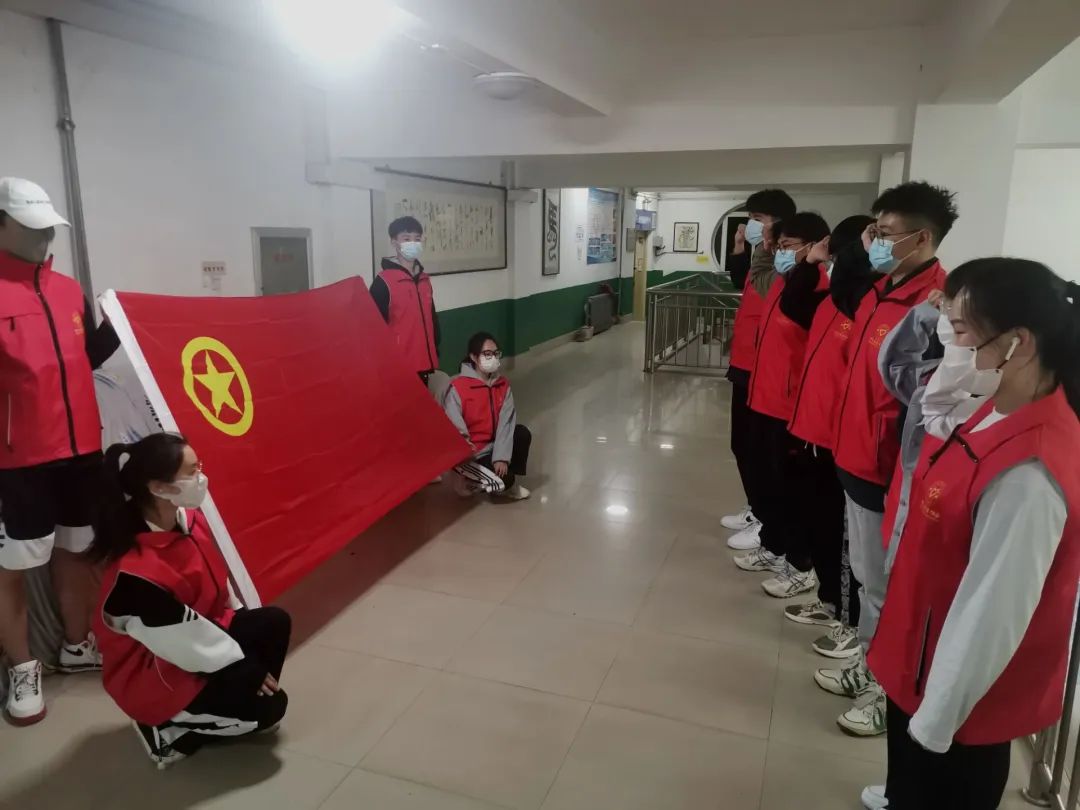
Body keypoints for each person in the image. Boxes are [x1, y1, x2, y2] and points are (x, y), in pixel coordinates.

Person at [865, 258, 1080, 810]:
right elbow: (933, 410)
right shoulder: (991, 406)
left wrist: (936, 721)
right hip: (922, 654)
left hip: (955, 699)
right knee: (906, 783)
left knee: (939, 786)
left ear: (1017, 344)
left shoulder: (1028, 475)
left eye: (960, 332)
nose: (950, 346)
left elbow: (992, 612)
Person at [815, 181, 958, 738]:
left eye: (885, 232)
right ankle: (870, 664)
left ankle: (886, 688)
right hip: (854, 454)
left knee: (887, 586)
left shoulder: (937, 307)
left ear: (921, 238)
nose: (875, 241)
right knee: (866, 576)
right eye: (873, 230)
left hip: (890, 468)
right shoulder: (881, 291)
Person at [91, 433, 290, 768]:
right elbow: (179, 639)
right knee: (270, 710)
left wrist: (242, 651)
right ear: (159, 487)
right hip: (154, 673)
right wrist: (241, 667)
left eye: (199, 467)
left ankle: (230, 704)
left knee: (273, 623)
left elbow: (217, 588)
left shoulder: (189, 521)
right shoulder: (134, 574)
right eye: (192, 471)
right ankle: (165, 729)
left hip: (196, 638)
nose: (201, 478)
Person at [0, 177, 119, 726]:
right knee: (14, 569)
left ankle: (76, 645)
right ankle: (23, 669)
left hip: (81, 452)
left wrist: (118, 329)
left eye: (49, 226)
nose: (44, 236)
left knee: (77, 552)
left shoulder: (69, 290)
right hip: (19, 460)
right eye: (31, 226)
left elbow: (85, 357)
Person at [782, 216, 875, 660]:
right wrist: (810, 263)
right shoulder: (829, 304)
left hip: (842, 442)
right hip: (811, 435)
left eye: (839, 257)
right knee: (819, 525)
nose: (832, 265)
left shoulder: (865, 308)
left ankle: (850, 621)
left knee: (845, 542)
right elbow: (793, 303)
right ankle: (830, 600)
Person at [733, 212, 830, 598]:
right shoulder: (780, 281)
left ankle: (801, 565)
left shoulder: (817, 288)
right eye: (779, 246)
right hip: (763, 396)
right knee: (767, 481)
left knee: (791, 489)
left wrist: (808, 267)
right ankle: (774, 546)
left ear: (813, 246)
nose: (780, 253)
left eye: (787, 246)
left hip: (789, 405)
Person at [723, 189, 797, 551]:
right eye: (750, 218)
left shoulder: (787, 264)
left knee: (762, 451)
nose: (752, 225)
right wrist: (742, 248)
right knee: (741, 444)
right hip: (744, 362)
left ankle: (769, 521)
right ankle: (757, 508)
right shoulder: (761, 257)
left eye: (758, 218)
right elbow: (741, 281)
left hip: (766, 369)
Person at [444, 333, 532, 501]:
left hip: (493, 447)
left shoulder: (503, 385)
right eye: (487, 354)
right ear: (474, 357)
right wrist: (466, 455)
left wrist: (501, 457)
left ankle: (506, 483)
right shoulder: (458, 388)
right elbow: (454, 428)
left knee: (521, 433)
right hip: (472, 453)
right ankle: (466, 478)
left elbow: (506, 423)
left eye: (496, 353)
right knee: (502, 481)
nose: (493, 358)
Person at [370, 216, 441, 385]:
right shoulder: (383, 282)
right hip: (398, 366)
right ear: (394, 242)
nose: (413, 243)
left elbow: (432, 318)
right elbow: (373, 328)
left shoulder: (424, 279)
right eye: (406, 239)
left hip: (424, 361)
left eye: (417, 239)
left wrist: (435, 347)